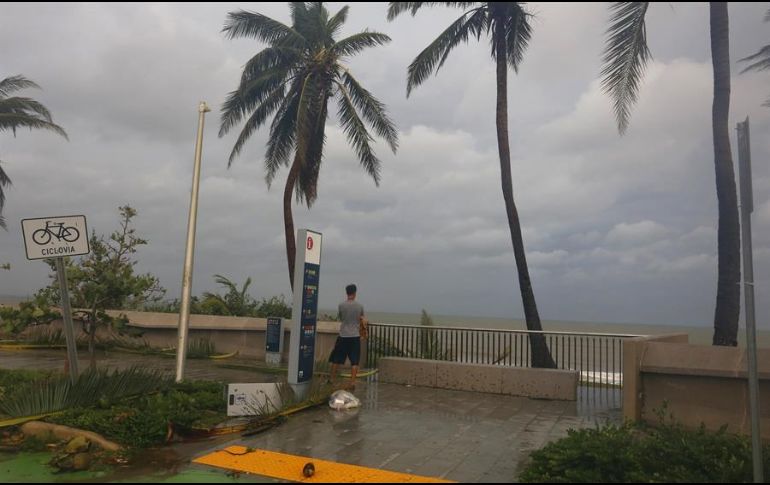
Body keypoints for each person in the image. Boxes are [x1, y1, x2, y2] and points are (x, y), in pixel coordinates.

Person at [329, 283, 366, 387]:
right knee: (355, 361)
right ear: (355, 293)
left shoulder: (341, 305)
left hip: (343, 335)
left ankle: (331, 379)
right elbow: (362, 318)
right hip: (355, 336)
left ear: (347, 293)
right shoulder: (360, 306)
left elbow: (341, 318)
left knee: (336, 358)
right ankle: (352, 382)